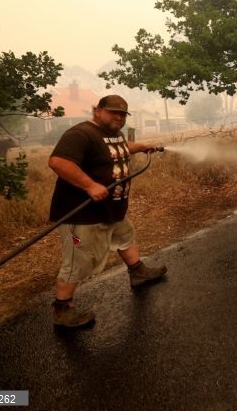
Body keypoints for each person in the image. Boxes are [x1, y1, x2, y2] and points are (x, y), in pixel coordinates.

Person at [48, 94, 167, 328]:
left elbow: (118, 149)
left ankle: (138, 272)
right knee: (79, 261)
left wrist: (142, 147)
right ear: (98, 110)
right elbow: (58, 162)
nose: (119, 117)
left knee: (125, 237)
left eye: (123, 114)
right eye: (114, 112)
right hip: (82, 214)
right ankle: (62, 309)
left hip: (112, 207)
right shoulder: (80, 134)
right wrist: (89, 185)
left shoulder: (114, 133)